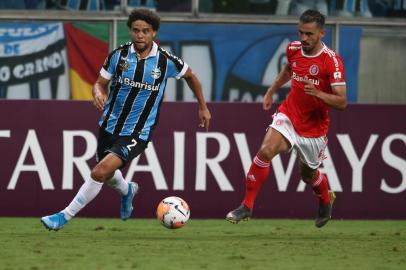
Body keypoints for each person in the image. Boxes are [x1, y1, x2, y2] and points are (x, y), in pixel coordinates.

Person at [41, 8, 211, 231]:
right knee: (108, 174)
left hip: (137, 131)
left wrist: (202, 107)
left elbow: (191, 77)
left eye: (146, 31)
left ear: (154, 33)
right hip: (109, 124)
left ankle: (64, 216)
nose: (140, 35)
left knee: (99, 171)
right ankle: (127, 190)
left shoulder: (165, 61)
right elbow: (99, 83)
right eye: (136, 30)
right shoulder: (118, 56)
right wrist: (98, 93)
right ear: (130, 31)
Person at [226, 9, 347, 228]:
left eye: (309, 34)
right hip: (289, 114)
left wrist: (318, 93)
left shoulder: (332, 61)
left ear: (322, 33)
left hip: (314, 128)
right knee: (265, 151)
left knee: (308, 175)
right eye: (301, 33)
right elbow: (289, 69)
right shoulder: (293, 49)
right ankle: (247, 206)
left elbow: (342, 101)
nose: (303, 38)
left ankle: (325, 199)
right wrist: (272, 90)